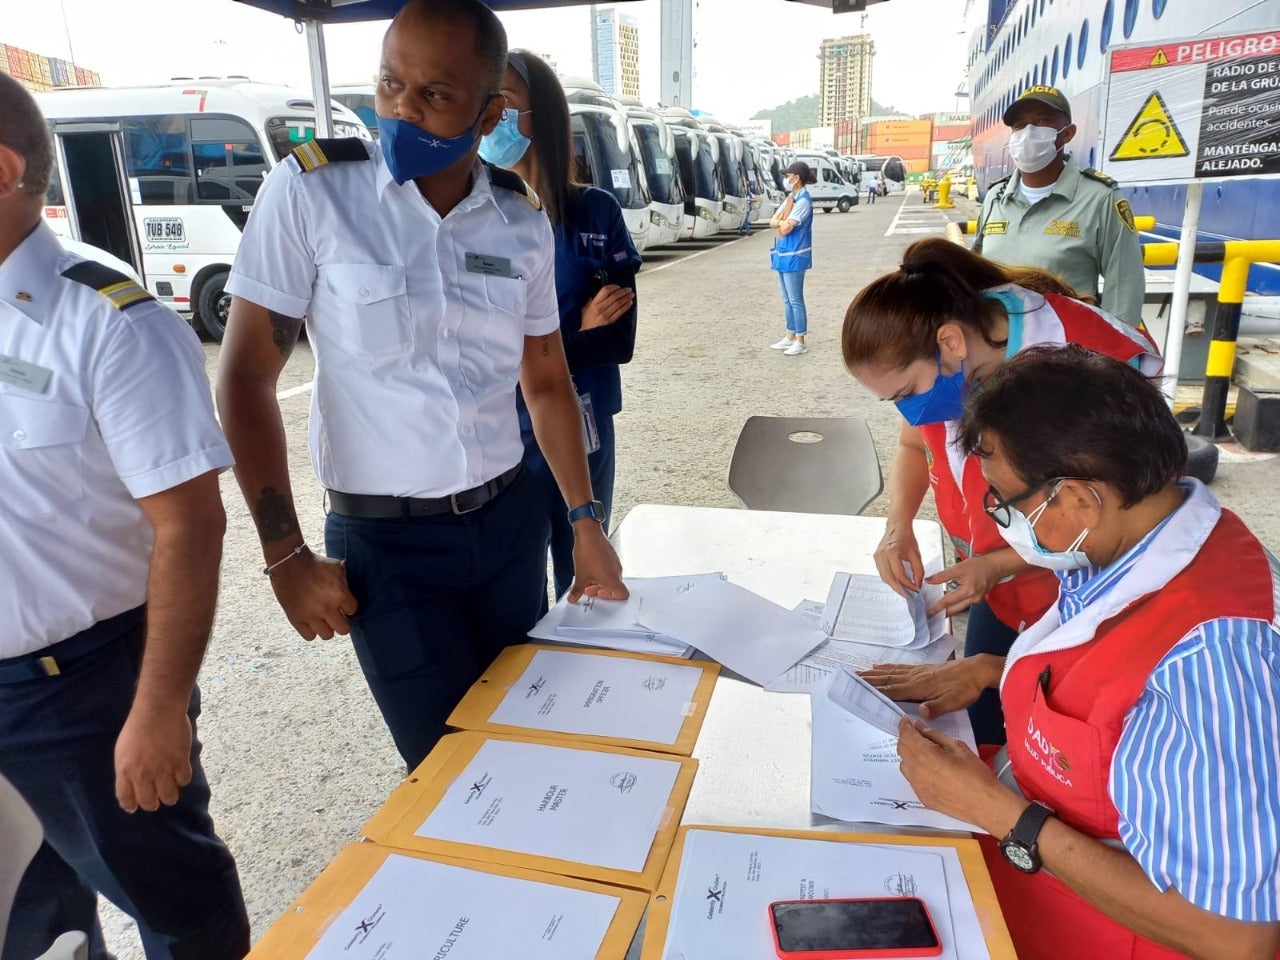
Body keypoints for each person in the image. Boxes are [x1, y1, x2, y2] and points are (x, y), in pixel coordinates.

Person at [217, 0, 627, 772]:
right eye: (388, 84)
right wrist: (285, 556)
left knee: (520, 735)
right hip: (389, 550)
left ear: (490, 111)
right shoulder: (312, 194)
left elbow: (544, 378)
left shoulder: (519, 220)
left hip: (507, 529)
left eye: (433, 94)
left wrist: (583, 519)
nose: (401, 109)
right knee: (445, 771)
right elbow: (244, 380)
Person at [866, 345, 1280, 960]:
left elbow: (1236, 937)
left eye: (1006, 501)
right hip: (1025, 856)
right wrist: (993, 671)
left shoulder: (1216, 658)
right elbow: (1125, 705)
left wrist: (1000, 814)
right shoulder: (1139, 538)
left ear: (1079, 500)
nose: (1002, 521)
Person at [0, 75, 248, 959]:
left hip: (86, 690)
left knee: (179, 910)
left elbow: (191, 528)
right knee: (29, 923)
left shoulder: (109, 324)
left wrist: (160, 709)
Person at [841, 237, 1159, 745]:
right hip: (997, 587)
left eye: (906, 393)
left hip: (1078, 595)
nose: (909, 411)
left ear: (950, 343)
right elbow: (912, 442)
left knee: (1059, 733)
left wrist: (996, 566)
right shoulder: (957, 358)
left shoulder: (1075, 365)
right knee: (981, 726)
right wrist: (897, 527)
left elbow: (1113, 519)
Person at [478, 50, 641, 604]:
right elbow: (478, 348)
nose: (490, 113)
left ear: (540, 114)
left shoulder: (594, 213)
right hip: (504, 433)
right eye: (485, 100)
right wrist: (576, 329)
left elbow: (618, 339)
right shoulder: (480, 217)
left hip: (586, 420)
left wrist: (539, 346)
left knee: (583, 578)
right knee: (517, 582)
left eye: (504, 102)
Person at [974, 85, 1146, 327]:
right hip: (997, 349)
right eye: (1020, 126)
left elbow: (1125, 286)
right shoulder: (995, 197)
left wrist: (1114, 355)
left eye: (1041, 122)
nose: (1028, 133)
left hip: (1064, 355)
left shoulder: (1100, 198)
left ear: (1067, 134)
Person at [768, 160, 814, 357]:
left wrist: (782, 222)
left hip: (796, 255)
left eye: (788, 176)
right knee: (786, 299)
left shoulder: (803, 201)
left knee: (795, 299)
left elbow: (787, 227)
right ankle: (790, 335)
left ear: (797, 179)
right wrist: (782, 222)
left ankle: (800, 340)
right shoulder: (790, 199)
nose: (786, 179)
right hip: (783, 253)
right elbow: (773, 222)